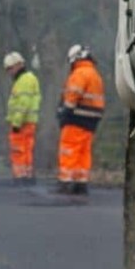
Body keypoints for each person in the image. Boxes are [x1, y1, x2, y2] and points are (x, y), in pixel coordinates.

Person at [56, 44, 106, 196]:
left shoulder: (79, 73)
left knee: (68, 149)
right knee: (83, 151)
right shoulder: (95, 74)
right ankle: (80, 182)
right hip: (92, 120)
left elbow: (72, 96)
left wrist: (64, 113)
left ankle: (65, 181)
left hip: (76, 118)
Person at [2, 52, 40, 185]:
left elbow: (23, 103)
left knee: (18, 151)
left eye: (10, 69)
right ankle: (27, 176)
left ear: (18, 65)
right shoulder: (28, 79)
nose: (9, 72)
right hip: (29, 122)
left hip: (22, 123)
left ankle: (20, 177)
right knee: (27, 150)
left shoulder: (24, 80)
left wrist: (16, 122)